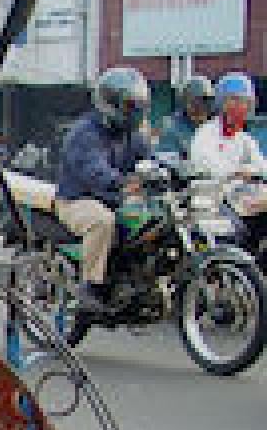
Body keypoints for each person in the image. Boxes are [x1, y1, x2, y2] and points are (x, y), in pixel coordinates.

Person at [54, 66, 152, 314]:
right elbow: (93, 169)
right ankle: (90, 286)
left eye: (139, 105)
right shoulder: (85, 132)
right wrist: (120, 182)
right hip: (78, 201)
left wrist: (173, 169)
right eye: (130, 105)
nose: (136, 111)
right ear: (111, 103)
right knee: (102, 221)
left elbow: (151, 159)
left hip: (115, 199)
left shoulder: (133, 135)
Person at [189, 71, 267, 254]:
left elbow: (262, 169)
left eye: (246, 102)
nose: (242, 107)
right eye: (236, 101)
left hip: (243, 200)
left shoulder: (245, 139)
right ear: (222, 104)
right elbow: (209, 170)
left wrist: (252, 175)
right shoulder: (205, 134)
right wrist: (239, 173)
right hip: (214, 203)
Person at [155, 75, 214, 158]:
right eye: (193, 102)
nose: (199, 107)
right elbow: (164, 158)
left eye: (204, 101)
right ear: (184, 103)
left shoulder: (218, 126)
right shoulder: (171, 126)